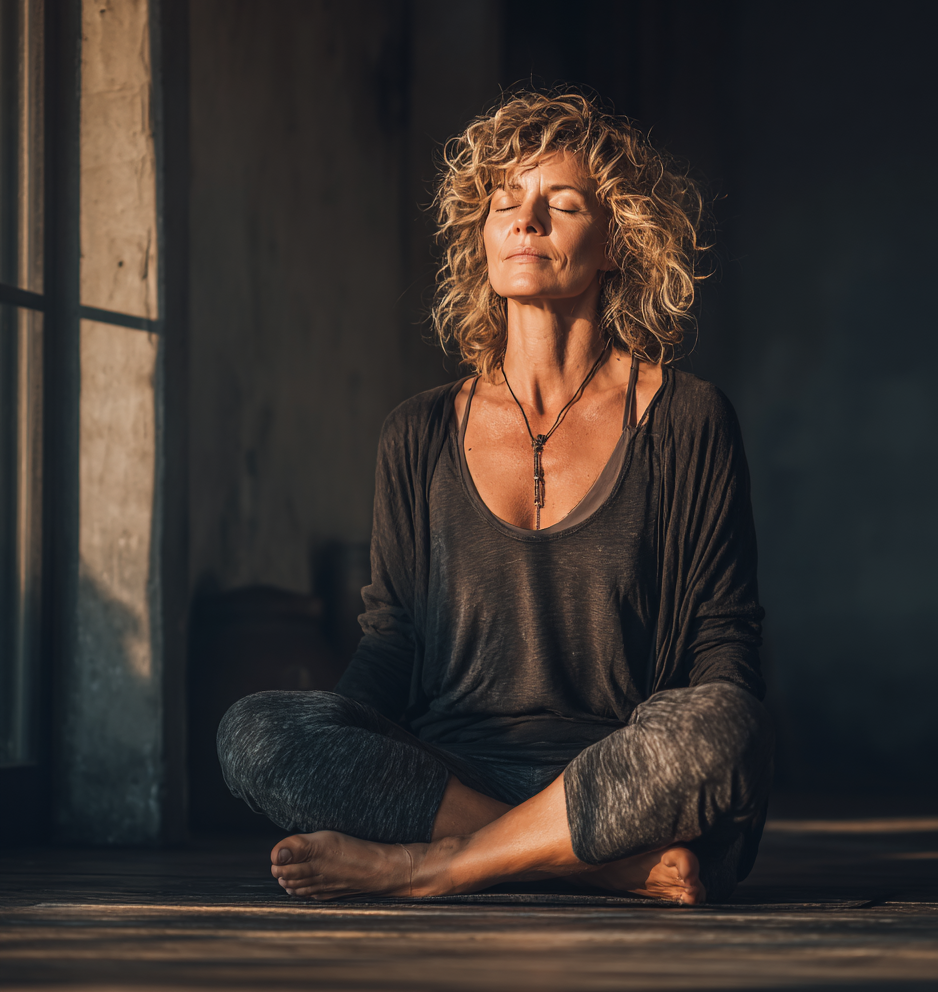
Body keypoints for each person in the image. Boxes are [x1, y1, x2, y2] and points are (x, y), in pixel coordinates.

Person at [216, 91, 774, 905]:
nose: (527, 221)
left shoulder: (688, 419)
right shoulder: (417, 432)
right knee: (252, 732)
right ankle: (587, 865)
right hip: (451, 770)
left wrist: (711, 758)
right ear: (480, 239)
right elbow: (390, 643)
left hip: (622, 769)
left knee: (726, 727)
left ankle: (436, 866)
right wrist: (336, 752)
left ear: (618, 242)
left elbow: (724, 644)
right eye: (504, 203)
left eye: (563, 203)